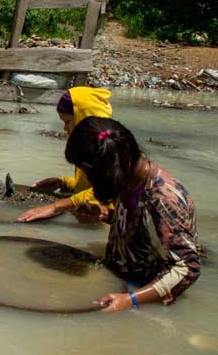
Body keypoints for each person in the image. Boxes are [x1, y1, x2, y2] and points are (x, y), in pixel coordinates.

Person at [66, 117, 202, 312]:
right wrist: (105, 214)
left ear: (107, 171)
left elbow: (187, 267)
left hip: (143, 289)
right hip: (121, 275)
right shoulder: (129, 178)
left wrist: (131, 300)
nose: (88, 179)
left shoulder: (163, 199)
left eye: (87, 172)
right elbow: (144, 230)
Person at [18, 87, 113, 223]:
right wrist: (63, 182)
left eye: (68, 121)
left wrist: (55, 207)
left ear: (84, 117)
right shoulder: (89, 149)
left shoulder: (108, 149)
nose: (65, 128)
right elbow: (89, 185)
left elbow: (105, 191)